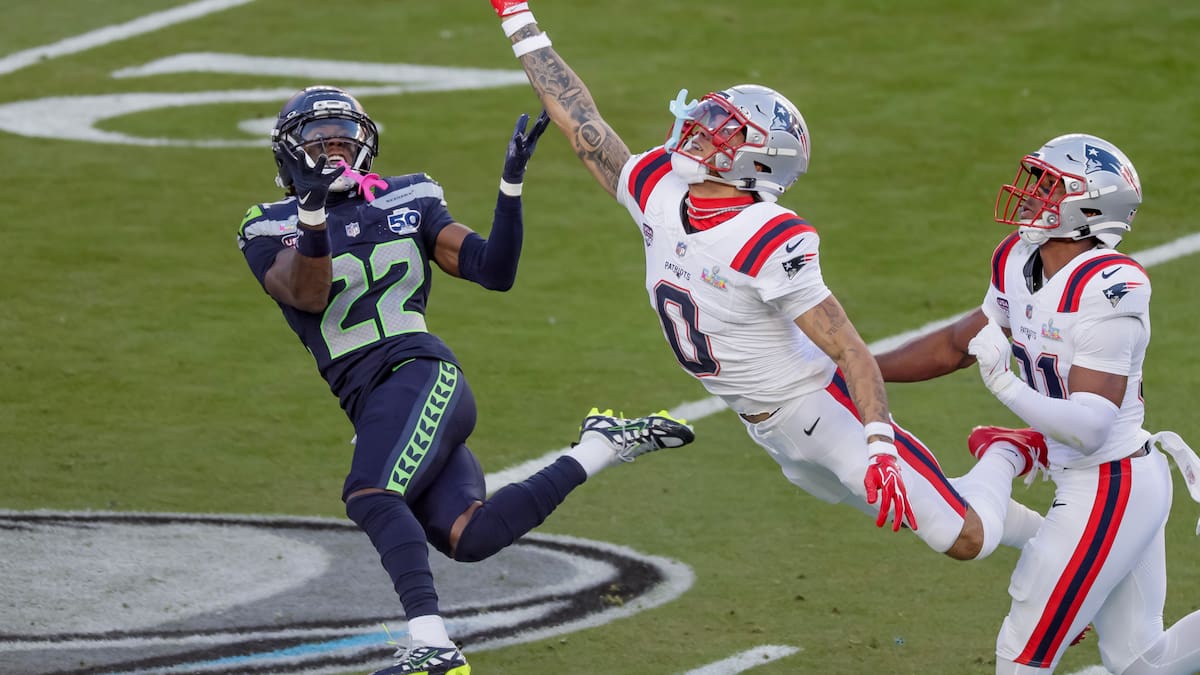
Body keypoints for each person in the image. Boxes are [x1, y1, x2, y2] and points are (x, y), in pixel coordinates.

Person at [483, 1, 1047, 565]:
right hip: (769, 431)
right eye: (710, 120)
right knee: (942, 504)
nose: (700, 133)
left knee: (963, 539)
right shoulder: (658, 187)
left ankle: (1002, 454)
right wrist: (517, 17)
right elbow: (581, 120)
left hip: (822, 411)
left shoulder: (769, 238)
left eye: (723, 131)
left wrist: (879, 446)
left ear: (757, 162)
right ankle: (1055, 545)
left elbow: (850, 351)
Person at [235, 85, 696, 675]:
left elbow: (493, 270)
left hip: (417, 372)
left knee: (371, 494)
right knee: (470, 535)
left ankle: (432, 644)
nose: (334, 152)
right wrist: (313, 214)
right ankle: (600, 446)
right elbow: (307, 292)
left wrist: (510, 186)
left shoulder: (407, 196)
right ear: (289, 154)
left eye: (344, 141)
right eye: (318, 143)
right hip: (372, 398)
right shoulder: (267, 224)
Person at [875, 133, 1200, 674]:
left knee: (1022, 656)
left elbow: (1091, 427)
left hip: (1111, 482)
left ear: (1089, 210)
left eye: (1050, 186)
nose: (1031, 194)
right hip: (1098, 476)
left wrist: (1007, 387)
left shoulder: (1110, 286)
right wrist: (859, 366)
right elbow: (957, 344)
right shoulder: (1018, 258)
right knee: (1141, 663)